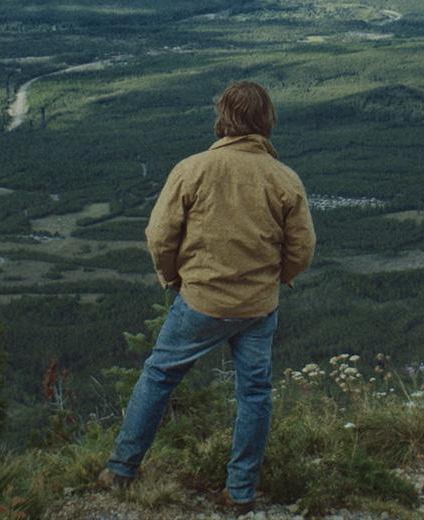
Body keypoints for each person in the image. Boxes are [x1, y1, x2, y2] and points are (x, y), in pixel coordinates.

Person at [99, 80, 316, 511]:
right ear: (266, 121)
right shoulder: (284, 178)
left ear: (224, 119)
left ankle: (122, 469)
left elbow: (159, 236)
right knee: (255, 392)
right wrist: (277, 279)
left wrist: (173, 278)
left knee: (159, 376)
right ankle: (240, 492)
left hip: (200, 300)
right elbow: (302, 248)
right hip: (257, 306)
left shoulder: (192, 169)